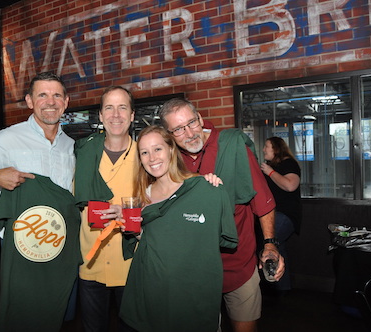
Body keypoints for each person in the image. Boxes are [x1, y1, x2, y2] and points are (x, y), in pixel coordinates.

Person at [0, 72, 81, 331]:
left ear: (66, 102)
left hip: (60, 244)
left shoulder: (70, 145)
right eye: (42, 95)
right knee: (23, 313)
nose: (51, 101)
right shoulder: (7, 139)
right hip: (21, 243)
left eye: (57, 95)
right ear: (29, 101)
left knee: (60, 312)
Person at [158, 97, 284, 332]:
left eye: (192, 123)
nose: (189, 133)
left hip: (239, 262)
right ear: (168, 135)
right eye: (178, 129)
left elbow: (262, 200)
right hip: (194, 269)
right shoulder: (168, 159)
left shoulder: (232, 145)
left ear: (201, 119)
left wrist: (269, 244)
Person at [119, 125, 238, 331]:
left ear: (171, 150)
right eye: (144, 152)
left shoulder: (201, 188)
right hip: (153, 295)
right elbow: (152, 240)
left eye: (157, 149)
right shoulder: (143, 197)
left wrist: (211, 188)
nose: (152, 158)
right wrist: (134, 232)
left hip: (193, 299)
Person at [73, 86, 137, 332]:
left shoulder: (147, 156)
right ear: (100, 115)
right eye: (109, 108)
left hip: (131, 265)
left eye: (123, 107)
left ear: (132, 115)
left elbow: (168, 196)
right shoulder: (81, 153)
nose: (116, 115)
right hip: (91, 263)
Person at [260, 136, 301, 293]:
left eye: (266, 146)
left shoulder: (288, 163)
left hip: (286, 215)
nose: (264, 149)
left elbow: (290, 185)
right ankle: (281, 288)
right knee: (279, 247)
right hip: (273, 214)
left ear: (276, 149)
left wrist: (270, 172)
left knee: (268, 242)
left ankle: (270, 285)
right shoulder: (270, 167)